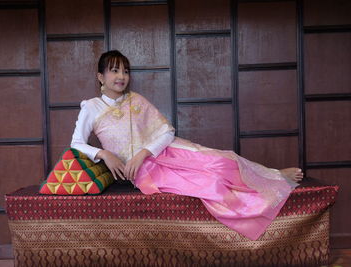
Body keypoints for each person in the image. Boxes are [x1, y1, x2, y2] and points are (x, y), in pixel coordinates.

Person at [71, 50, 303, 240]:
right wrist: (104, 154)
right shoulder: (91, 107)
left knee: (225, 161)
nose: (121, 76)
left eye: (125, 71)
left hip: (165, 152)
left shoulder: (136, 100)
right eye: (114, 71)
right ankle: (260, 200)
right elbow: (77, 143)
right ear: (100, 77)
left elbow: (167, 132)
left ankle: (274, 176)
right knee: (212, 183)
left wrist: (143, 152)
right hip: (146, 172)